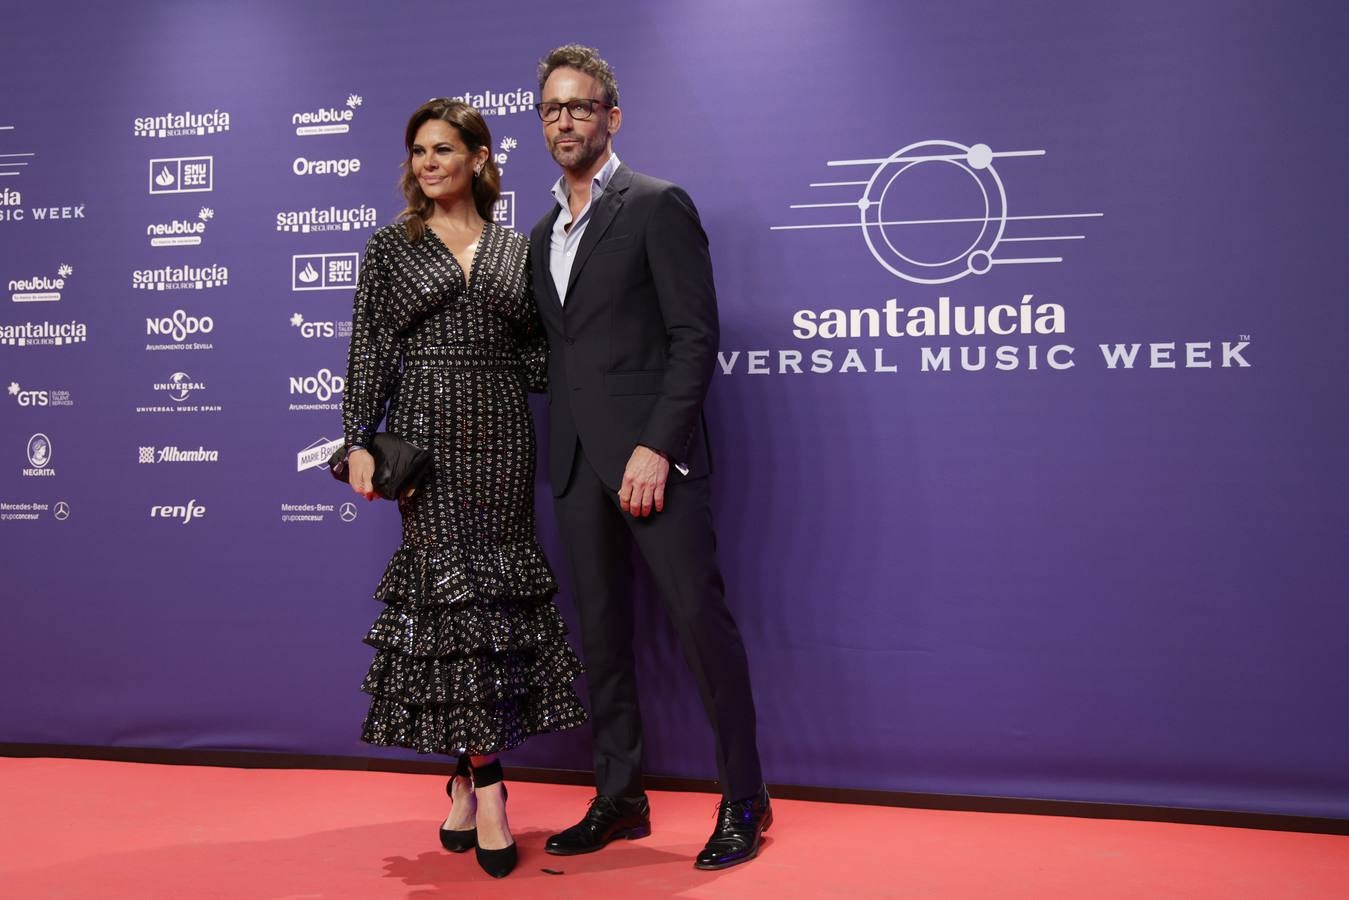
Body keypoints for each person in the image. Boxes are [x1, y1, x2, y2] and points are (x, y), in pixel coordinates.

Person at [527, 45, 771, 871]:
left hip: (650, 462)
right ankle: (620, 796)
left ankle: (745, 798)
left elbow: (693, 338)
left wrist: (655, 447)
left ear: (612, 117)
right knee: (600, 638)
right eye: (552, 109)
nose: (566, 121)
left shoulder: (656, 204)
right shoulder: (538, 234)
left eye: (581, 106)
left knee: (700, 626)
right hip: (571, 467)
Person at [340, 97, 587, 880]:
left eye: (444, 148)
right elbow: (370, 349)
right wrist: (356, 442)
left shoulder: (522, 248)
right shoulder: (391, 246)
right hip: (426, 437)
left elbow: (545, 356)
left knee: (489, 611)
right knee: (451, 605)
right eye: (418, 151)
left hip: (504, 436)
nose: (428, 163)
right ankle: (488, 784)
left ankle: (461, 771)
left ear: (479, 157)